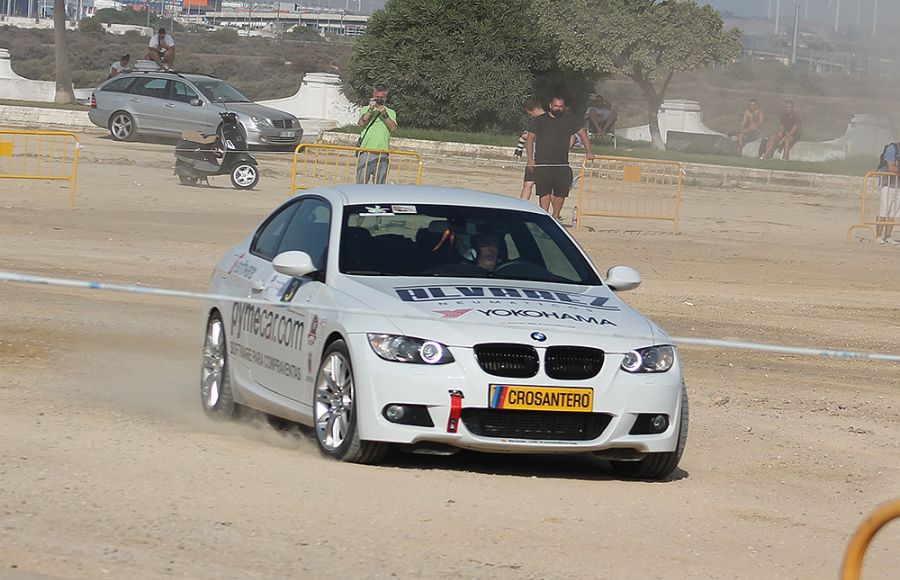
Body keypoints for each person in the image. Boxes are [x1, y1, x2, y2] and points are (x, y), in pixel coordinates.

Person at [525, 96, 595, 222]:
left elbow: (583, 134)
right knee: (544, 192)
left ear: (563, 107)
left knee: (561, 193)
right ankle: (544, 218)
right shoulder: (540, 120)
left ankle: (556, 217)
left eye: (561, 106)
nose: (558, 108)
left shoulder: (569, 120)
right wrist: (530, 159)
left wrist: (588, 151)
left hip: (562, 163)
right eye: (556, 106)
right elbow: (530, 139)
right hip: (543, 162)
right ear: (550, 105)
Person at [355, 84, 398, 185]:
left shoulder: (391, 112)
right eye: (376, 97)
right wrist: (371, 109)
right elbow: (361, 123)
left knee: (379, 185)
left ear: (386, 98)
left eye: (381, 98)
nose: (379, 100)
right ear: (373, 96)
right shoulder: (365, 109)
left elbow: (393, 128)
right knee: (361, 183)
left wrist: (384, 113)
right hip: (366, 151)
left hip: (383, 152)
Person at [514, 99, 546, 200]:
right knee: (528, 184)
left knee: (540, 187)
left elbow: (546, 138)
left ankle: (521, 207)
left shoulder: (542, 120)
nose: (531, 116)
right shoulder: (549, 119)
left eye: (530, 113)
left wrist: (529, 137)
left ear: (535, 110)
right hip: (537, 156)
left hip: (541, 156)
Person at [876, 141, 900, 245]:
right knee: (884, 210)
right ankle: (878, 235)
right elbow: (891, 168)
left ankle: (888, 235)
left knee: (893, 212)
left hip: (898, 185)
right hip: (887, 184)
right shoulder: (892, 148)